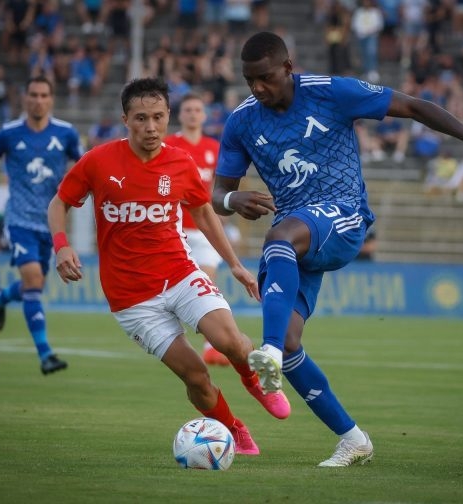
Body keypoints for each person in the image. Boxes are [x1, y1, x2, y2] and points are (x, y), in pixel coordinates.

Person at [212, 31, 463, 467]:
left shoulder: (331, 92)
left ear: (287, 68)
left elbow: (414, 107)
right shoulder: (242, 121)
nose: (257, 88)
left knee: (278, 242)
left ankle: (269, 353)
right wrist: (232, 199)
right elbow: (217, 194)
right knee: (293, 339)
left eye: (265, 78)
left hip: (343, 215)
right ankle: (353, 439)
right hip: (298, 236)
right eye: (249, 80)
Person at [47, 77, 291, 455]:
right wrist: (62, 247)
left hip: (179, 273)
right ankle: (234, 429)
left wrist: (235, 265)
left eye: (158, 117)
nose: (151, 127)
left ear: (167, 117)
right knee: (196, 377)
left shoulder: (180, 162)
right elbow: (59, 201)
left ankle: (252, 380)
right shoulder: (98, 161)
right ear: (125, 120)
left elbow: (204, 214)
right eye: (141, 118)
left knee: (229, 341)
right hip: (131, 298)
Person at [0, 76, 83, 376]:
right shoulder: (9, 133)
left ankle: (2, 297)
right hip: (19, 220)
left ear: (51, 99)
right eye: (33, 95)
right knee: (33, 279)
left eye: (44, 95)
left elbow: (85, 167)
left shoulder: (66, 133)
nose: (38, 100)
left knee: (34, 285)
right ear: (25, 98)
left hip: (51, 224)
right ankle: (45, 354)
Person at [164, 92, 230, 367]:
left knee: (208, 282)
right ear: (180, 115)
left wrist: (221, 215)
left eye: (197, 110)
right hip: (173, 230)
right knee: (173, 290)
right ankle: (176, 342)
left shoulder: (214, 148)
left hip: (203, 230)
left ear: (204, 115)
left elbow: (220, 186)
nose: (192, 114)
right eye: (188, 109)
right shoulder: (169, 145)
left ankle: (211, 346)